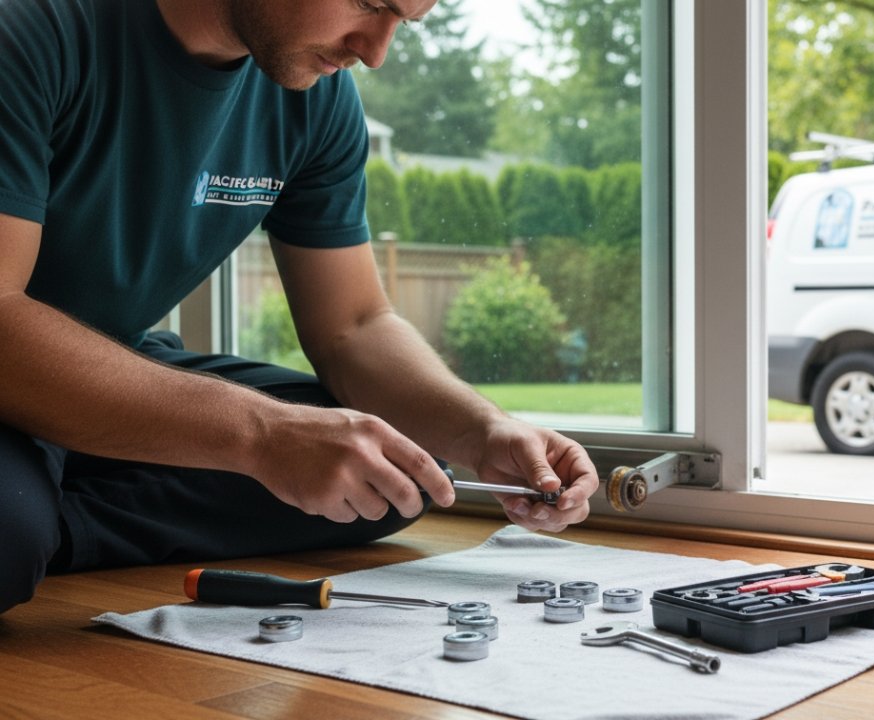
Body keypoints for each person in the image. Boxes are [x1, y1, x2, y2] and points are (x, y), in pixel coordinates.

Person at [0, 0, 600, 615]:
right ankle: (26, 524)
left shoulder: (315, 93)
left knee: (394, 468)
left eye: (404, 21)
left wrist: (483, 430)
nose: (375, 52)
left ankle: (42, 522)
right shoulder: (31, 29)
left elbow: (353, 326)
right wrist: (262, 435)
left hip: (119, 363)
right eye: (370, 4)